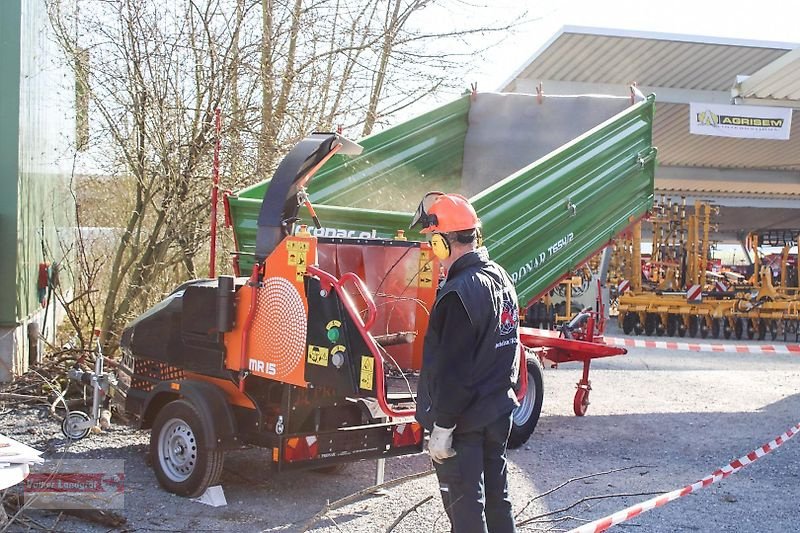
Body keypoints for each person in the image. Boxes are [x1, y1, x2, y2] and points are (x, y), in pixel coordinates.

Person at [409, 191, 520, 533]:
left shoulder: (458, 293)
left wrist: (442, 427)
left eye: (433, 244)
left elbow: (454, 371)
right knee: (497, 501)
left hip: (464, 425)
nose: (433, 253)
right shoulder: (500, 278)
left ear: (444, 243)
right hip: (497, 413)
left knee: (466, 510)